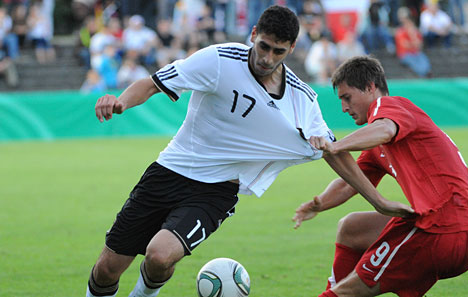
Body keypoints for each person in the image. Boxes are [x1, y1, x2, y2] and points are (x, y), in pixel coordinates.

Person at [87, 5, 342, 297]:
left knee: (159, 255)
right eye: (264, 47)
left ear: (292, 48)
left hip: (216, 191)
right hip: (170, 171)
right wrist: (121, 102)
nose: (267, 57)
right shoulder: (219, 59)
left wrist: (377, 199)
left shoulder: (301, 97)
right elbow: (152, 84)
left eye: (278, 51)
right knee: (107, 268)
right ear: (254, 34)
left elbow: (335, 150)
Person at [293, 56, 468, 296]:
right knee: (352, 227)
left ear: (371, 87)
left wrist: (335, 146)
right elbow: (348, 184)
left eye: (347, 97)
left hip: (441, 228)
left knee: (347, 292)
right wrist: (318, 204)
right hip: (458, 230)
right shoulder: (378, 143)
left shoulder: (390, 106)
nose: (343, 108)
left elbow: (384, 129)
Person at [394, 7, 431, 77]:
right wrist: (413, 42)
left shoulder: (414, 31)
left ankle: (426, 74)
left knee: (424, 60)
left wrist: (412, 34)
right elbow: (405, 45)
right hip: (405, 54)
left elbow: (419, 45)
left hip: (416, 53)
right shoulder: (400, 31)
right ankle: (423, 75)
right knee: (417, 66)